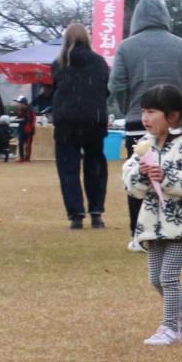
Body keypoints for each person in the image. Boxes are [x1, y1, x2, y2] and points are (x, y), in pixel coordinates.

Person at [109, 0, 182, 251]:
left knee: (140, 175)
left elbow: (116, 84)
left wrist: (132, 108)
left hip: (137, 122)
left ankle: (139, 235)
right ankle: (178, 230)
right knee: (176, 173)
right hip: (177, 124)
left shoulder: (126, 47)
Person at [121, 82, 182, 346]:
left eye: (152, 112)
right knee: (155, 279)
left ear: (172, 116)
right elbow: (130, 183)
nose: (145, 118)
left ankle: (170, 327)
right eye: (144, 111)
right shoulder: (143, 145)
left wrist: (166, 177)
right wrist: (140, 174)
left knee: (168, 276)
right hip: (152, 225)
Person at [42, 22, 113, 229]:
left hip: (67, 122)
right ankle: (96, 211)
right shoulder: (99, 62)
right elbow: (105, 90)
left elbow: (55, 89)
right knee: (95, 166)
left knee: (68, 169)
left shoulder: (59, 63)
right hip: (93, 120)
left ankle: (75, 214)